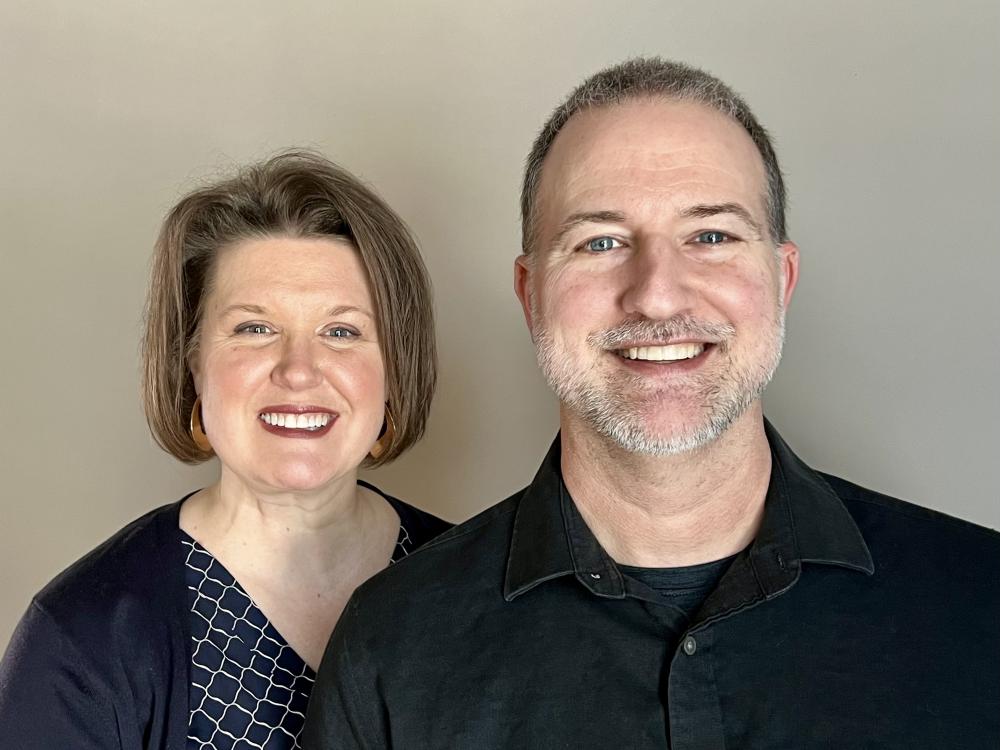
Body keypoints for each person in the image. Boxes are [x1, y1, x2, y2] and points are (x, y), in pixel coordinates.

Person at [302, 59, 1000, 748]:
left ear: (781, 278)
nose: (658, 294)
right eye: (600, 241)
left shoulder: (980, 606)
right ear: (530, 294)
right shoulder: (393, 646)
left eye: (712, 236)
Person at [0, 150, 450, 749]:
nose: (299, 370)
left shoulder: (481, 588)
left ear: (394, 369)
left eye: (341, 331)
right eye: (254, 328)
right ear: (193, 364)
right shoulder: (84, 636)